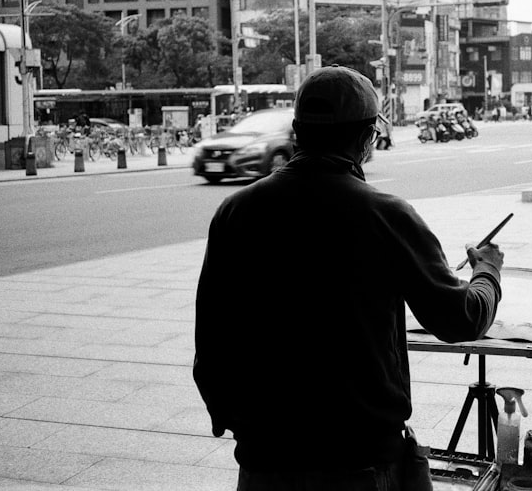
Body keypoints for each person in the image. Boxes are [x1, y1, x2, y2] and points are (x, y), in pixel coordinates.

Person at [194, 65, 504, 491]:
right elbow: (461, 319)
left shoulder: (236, 212)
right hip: (359, 462)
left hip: (264, 461)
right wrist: (487, 270)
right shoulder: (386, 214)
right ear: (364, 138)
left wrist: (226, 416)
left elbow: (211, 335)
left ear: (298, 132)